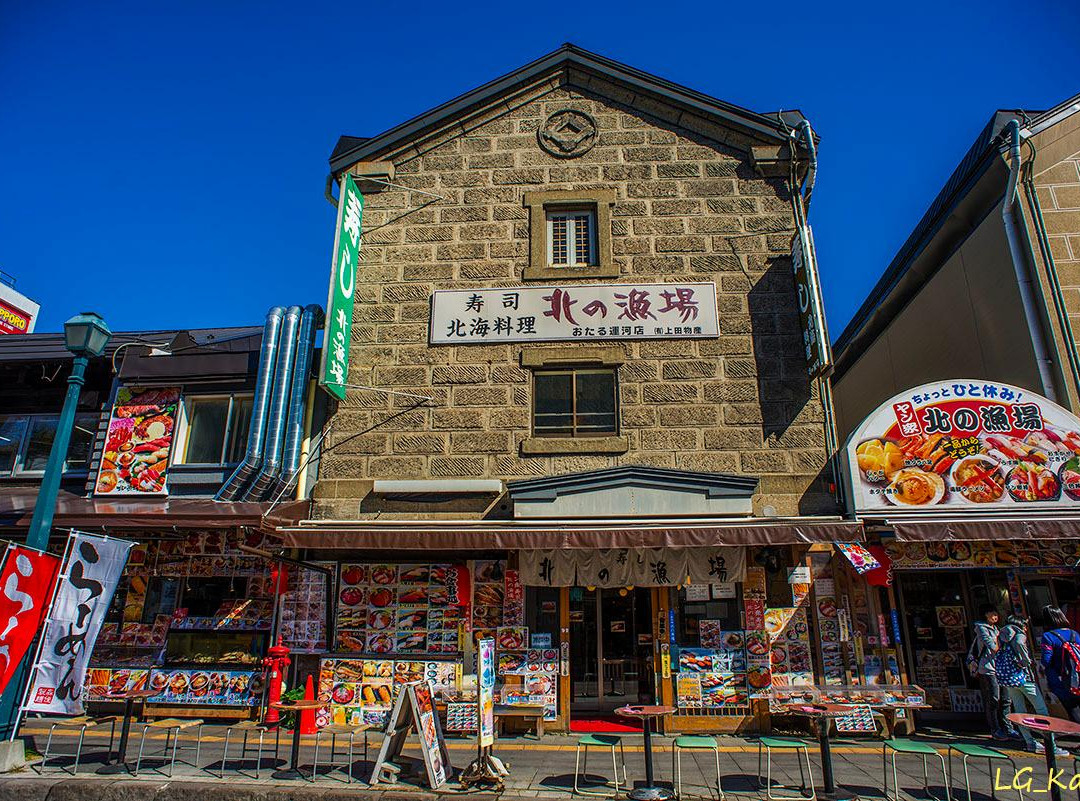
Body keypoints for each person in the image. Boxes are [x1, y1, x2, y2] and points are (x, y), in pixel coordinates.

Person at [998, 614, 1068, 754]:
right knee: (1041, 710)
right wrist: (1026, 662)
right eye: (1025, 625)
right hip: (1024, 678)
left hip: (1009, 679)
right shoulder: (1019, 636)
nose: (1026, 628)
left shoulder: (1003, 636)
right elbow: (1021, 650)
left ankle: (1030, 742)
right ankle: (1051, 745)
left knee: (1019, 711)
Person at [971, 604, 1014, 740]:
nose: (995, 616)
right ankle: (995, 729)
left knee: (1006, 700)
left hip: (1002, 669)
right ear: (985, 615)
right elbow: (993, 647)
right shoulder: (982, 629)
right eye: (991, 613)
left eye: (996, 613)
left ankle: (1009, 727)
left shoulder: (999, 629)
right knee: (994, 699)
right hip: (988, 668)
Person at [1039, 605, 1080, 724]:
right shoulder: (1074, 634)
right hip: (1078, 675)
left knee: (1072, 709)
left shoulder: (1048, 636)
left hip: (1061, 679)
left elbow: (1046, 660)